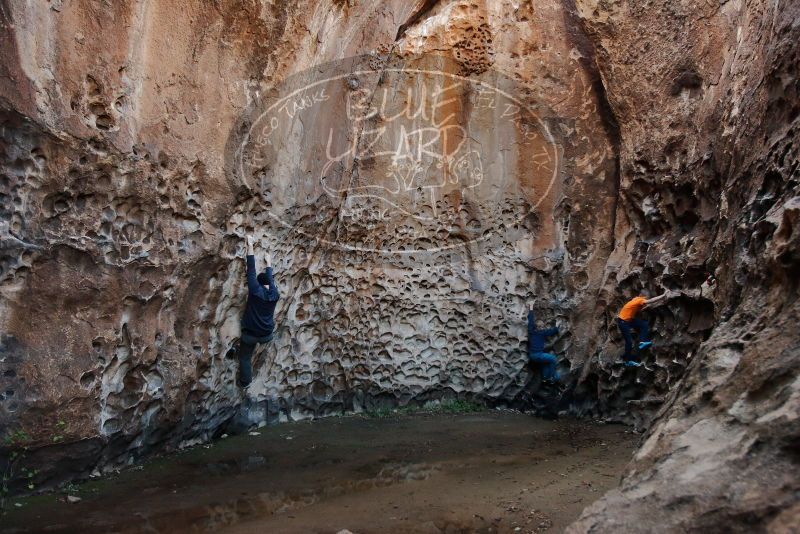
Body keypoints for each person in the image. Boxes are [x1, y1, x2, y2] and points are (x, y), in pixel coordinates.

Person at [234, 235, 280, 387]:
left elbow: (251, 269)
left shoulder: (255, 290)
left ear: (259, 284)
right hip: (267, 335)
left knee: (244, 358)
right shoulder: (275, 295)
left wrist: (250, 245)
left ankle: (245, 382)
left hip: (251, 335)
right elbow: (271, 281)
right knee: (257, 342)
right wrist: (269, 263)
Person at [616, 289, 670, 367]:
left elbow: (639, 308)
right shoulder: (640, 300)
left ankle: (642, 341)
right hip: (623, 322)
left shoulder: (636, 299)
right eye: (646, 298)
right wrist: (663, 295)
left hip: (628, 320)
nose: (646, 300)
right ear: (643, 296)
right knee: (629, 342)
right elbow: (651, 301)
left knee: (644, 325)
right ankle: (628, 361)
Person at [527, 303, 560, 384]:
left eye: (543, 326)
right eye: (541, 326)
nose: (543, 328)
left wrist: (531, 307)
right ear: (538, 327)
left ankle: (544, 378)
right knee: (553, 359)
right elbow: (552, 331)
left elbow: (530, 320)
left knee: (545, 364)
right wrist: (557, 326)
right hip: (537, 355)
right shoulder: (543, 333)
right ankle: (551, 377)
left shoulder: (531, 331)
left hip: (532, 355)